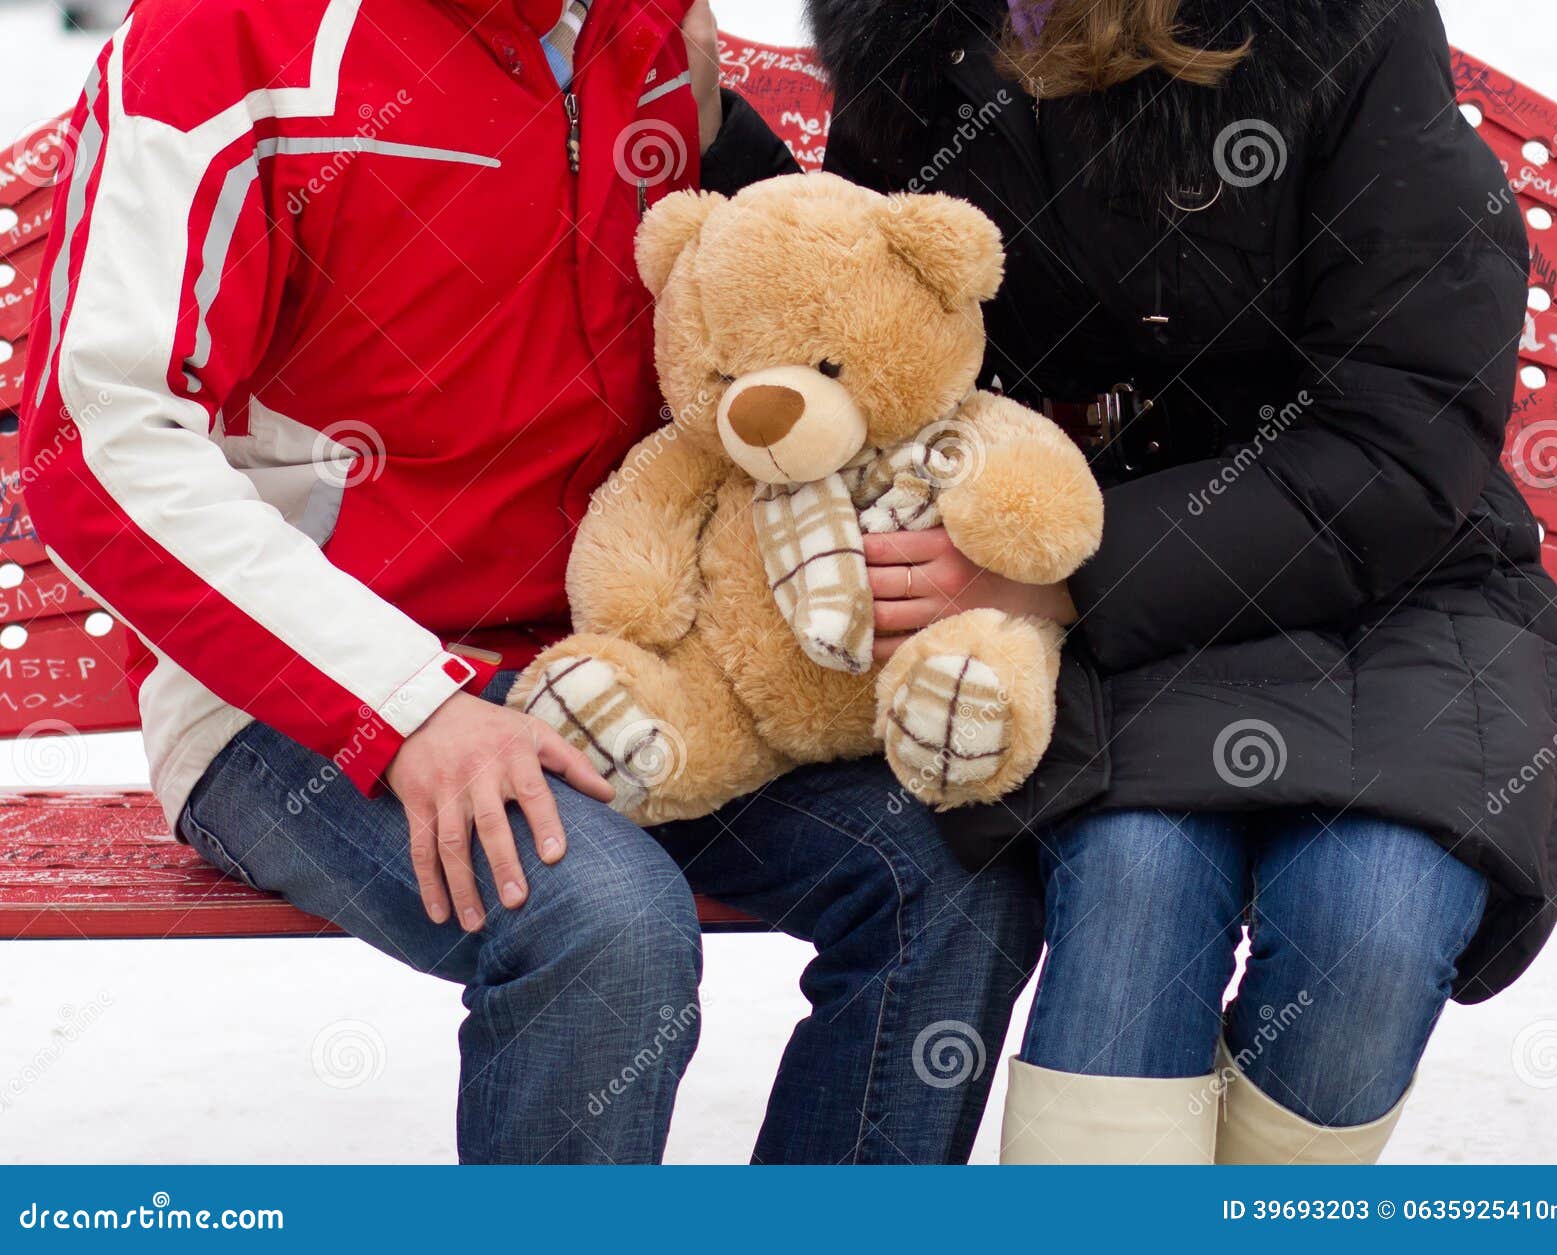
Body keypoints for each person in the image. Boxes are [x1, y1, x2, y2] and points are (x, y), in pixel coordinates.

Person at [19, 0, 1042, 1164]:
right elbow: (100, 443)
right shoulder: (224, 37)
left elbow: (779, 321)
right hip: (301, 693)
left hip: (632, 665)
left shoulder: (647, 34)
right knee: (604, 925)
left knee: (951, 873)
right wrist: (404, 705)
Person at [787, 0, 1557, 1163]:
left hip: (1389, 588)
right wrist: (717, 138)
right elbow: (863, 322)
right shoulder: (915, 31)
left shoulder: (1339, 24)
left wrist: (1067, 575)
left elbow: (1403, 437)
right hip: (1092, 611)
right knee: (1136, 885)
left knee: (1370, 915)